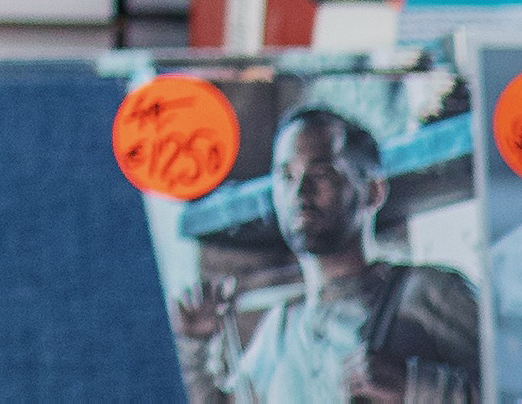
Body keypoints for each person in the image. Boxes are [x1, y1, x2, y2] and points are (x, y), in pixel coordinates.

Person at [172, 105, 482, 404]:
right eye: (287, 177)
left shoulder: (429, 293)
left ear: (373, 192)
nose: (300, 193)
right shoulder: (280, 331)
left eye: (321, 174)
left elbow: (519, 387)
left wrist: (421, 389)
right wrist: (194, 345)